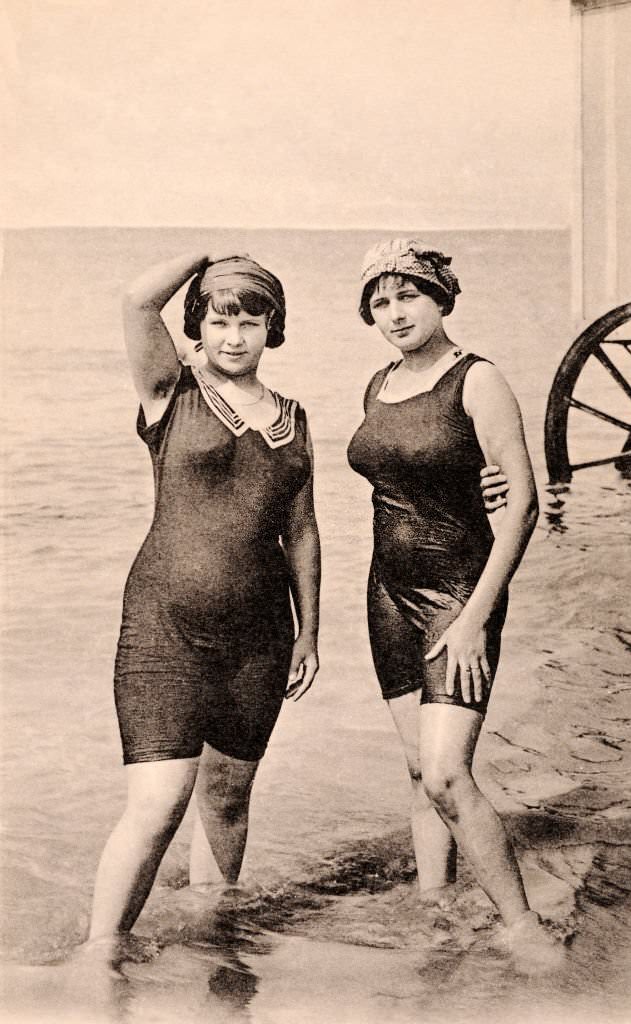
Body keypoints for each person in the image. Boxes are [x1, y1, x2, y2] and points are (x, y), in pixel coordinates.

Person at [86, 252, 320, 950]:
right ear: (198, 325)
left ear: (272, 328)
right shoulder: (170, 392)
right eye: (220, 320)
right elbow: (134, 299)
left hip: (261, 639)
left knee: (227, 798)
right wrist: (205, 256)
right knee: (158, 805)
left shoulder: (295, 418)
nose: (235, 336)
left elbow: (302, 532)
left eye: (252, 320)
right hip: (164, 630)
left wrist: (310, 632)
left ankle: (212, 942)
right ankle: (101, 954)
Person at [347, 238, 562, 970]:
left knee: (446, 774)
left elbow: (524, 504)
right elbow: (399, 484)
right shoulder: (376, 384)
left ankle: (522, 926)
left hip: (456, 597)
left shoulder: (478, 378)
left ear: (440, 298)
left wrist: (474, 618)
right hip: (386, 595)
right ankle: (436, 908)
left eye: (407, 295)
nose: (394, 313)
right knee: (416, 771)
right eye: (379, 302)